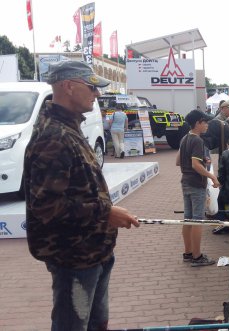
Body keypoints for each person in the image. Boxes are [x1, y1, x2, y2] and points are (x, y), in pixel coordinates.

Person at [24, 60, 140, 331]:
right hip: (74, 257)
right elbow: (47, 207)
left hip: (93, 252)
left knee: (96, 324)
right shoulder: (53, 136)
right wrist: (106, 213)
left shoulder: (68, 128)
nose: (96, 94)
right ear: (68, 86)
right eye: (91, 87)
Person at [176, 109, 220, 267]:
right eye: (205, 122)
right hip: (196, 184)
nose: (207, 125)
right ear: (197, 123)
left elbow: (178, 161)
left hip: (185, 182)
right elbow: (195, 165)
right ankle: (197, 256)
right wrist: (212, 176)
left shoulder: (184, 138)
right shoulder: (198, 141)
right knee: (198, 220)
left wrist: (202, 160)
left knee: (188, 218)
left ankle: (188, 253)